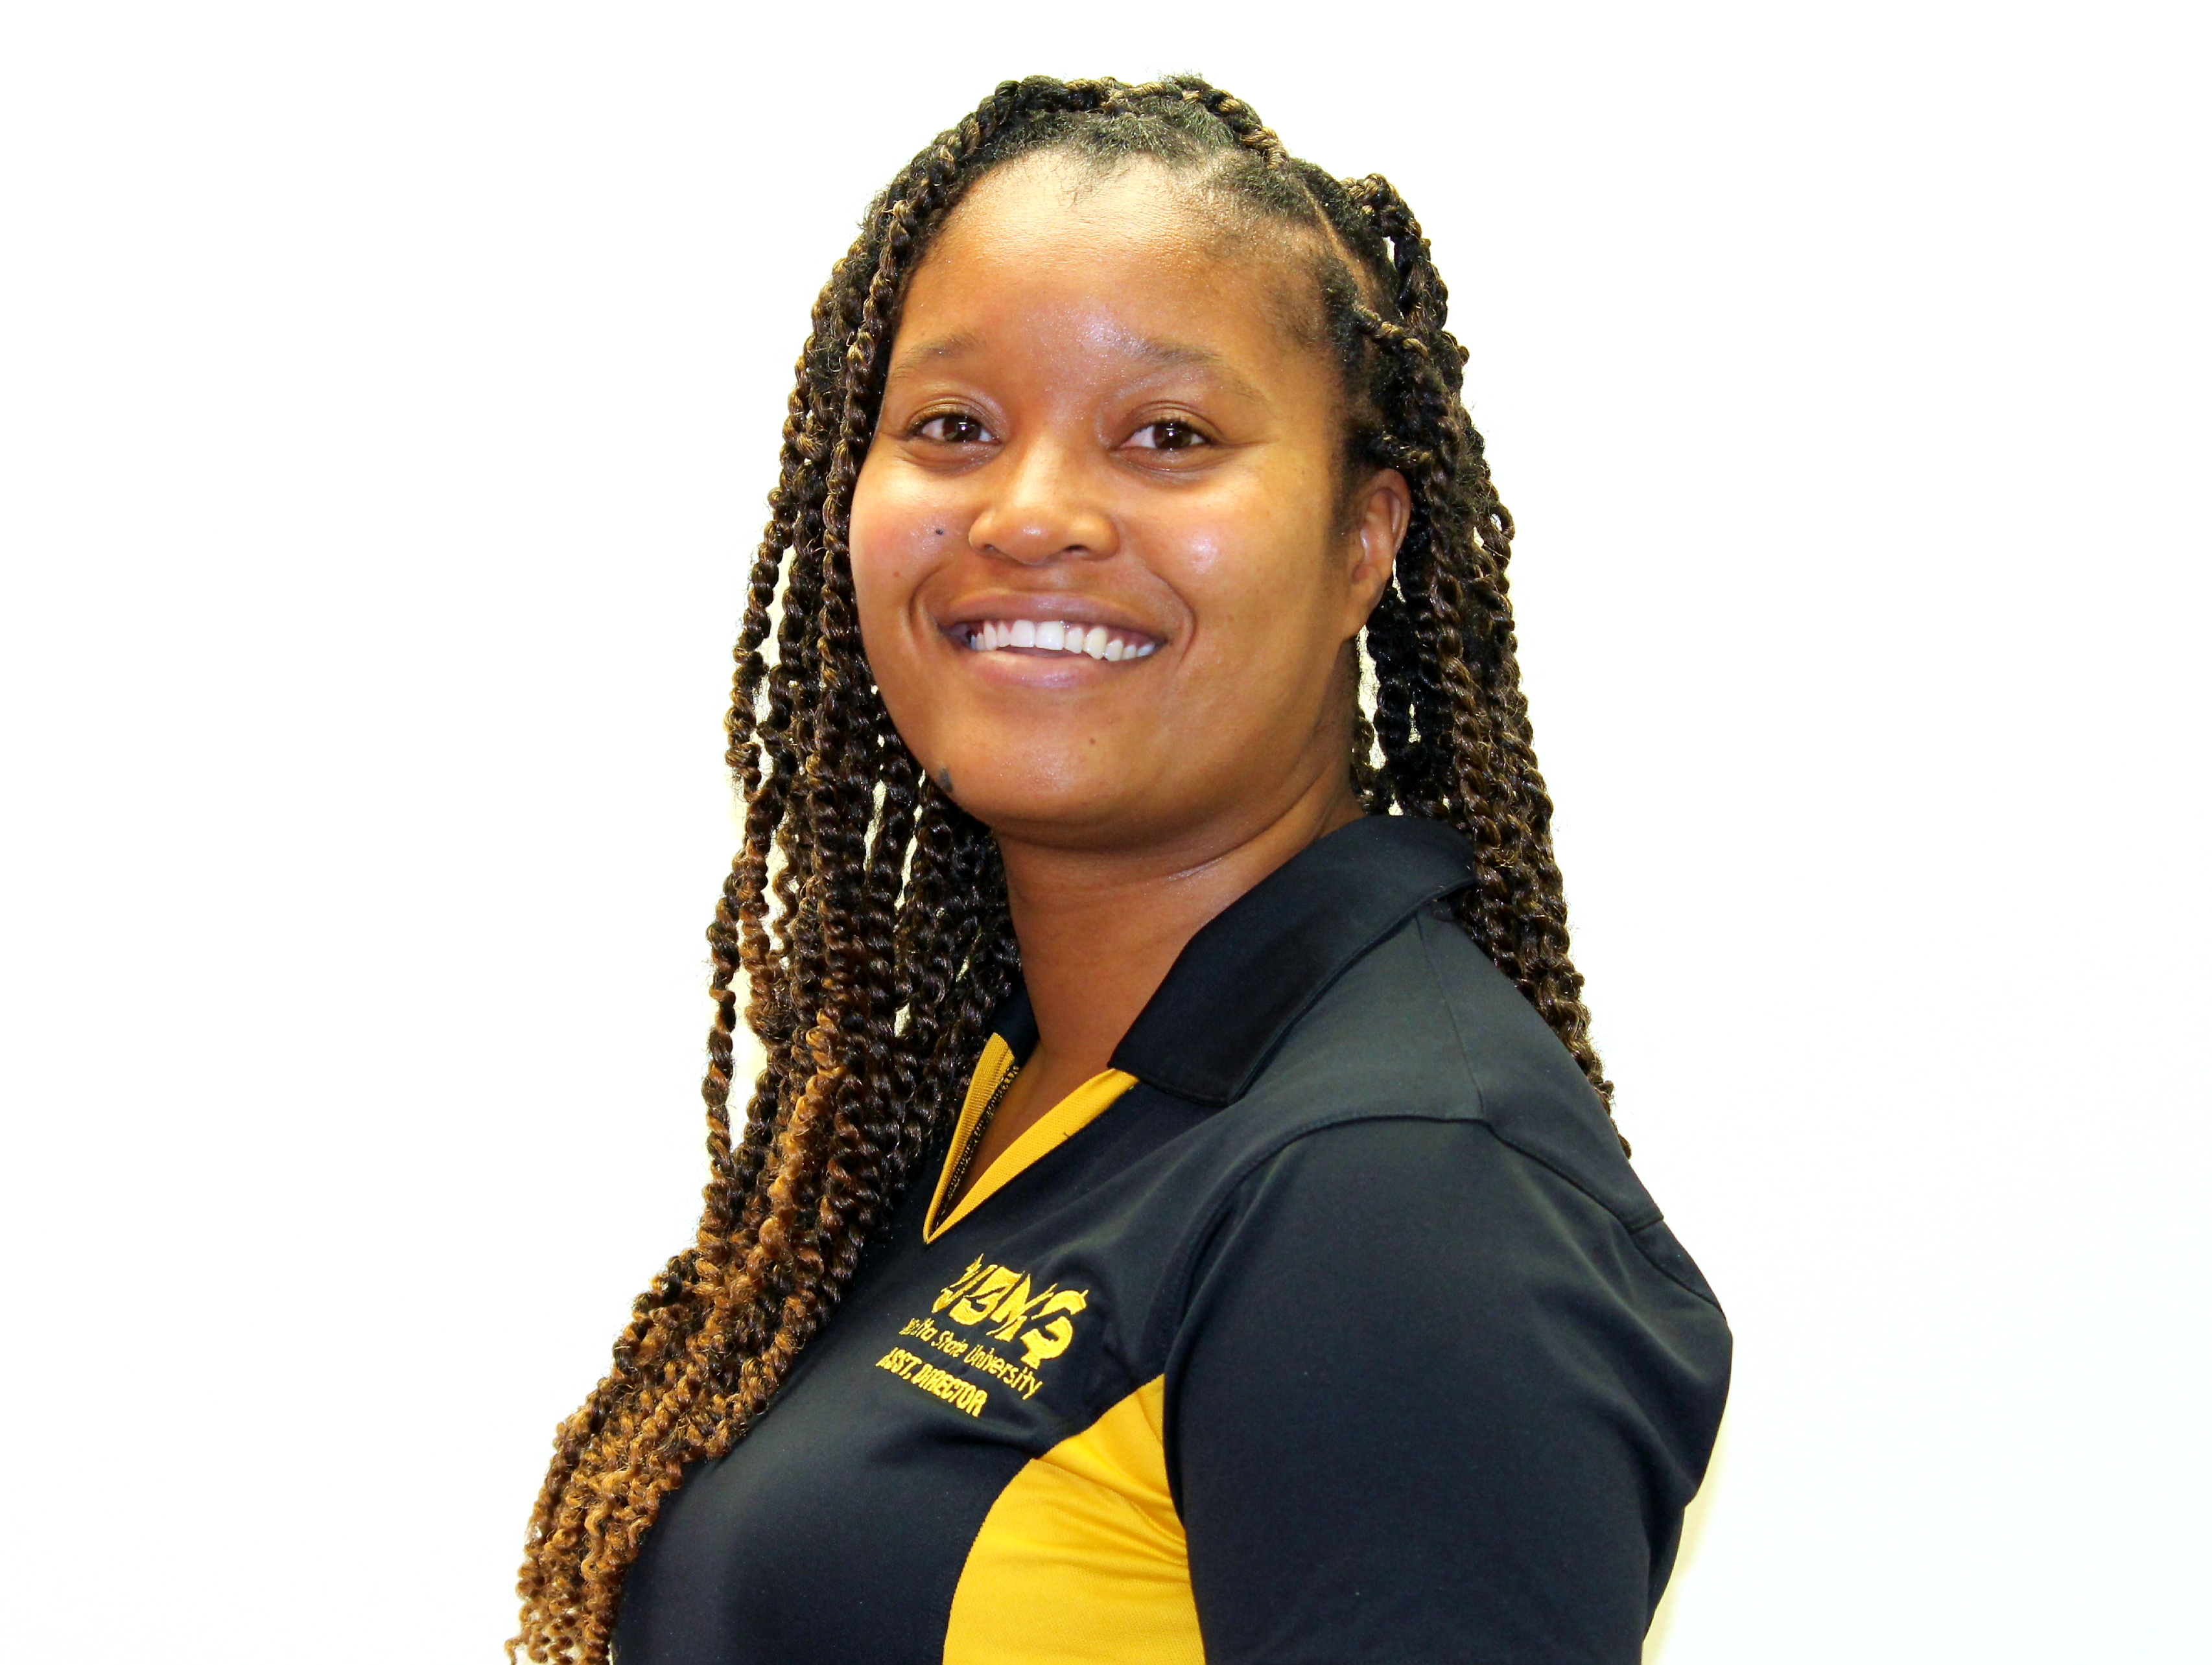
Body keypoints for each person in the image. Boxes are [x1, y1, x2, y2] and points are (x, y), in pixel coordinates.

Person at [511, 74, 1731, 1665]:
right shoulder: (986, 1094)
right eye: (953, 427)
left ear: (1364, 540)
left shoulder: (1402, 1195)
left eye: (1168, 435)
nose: (1032, 515)